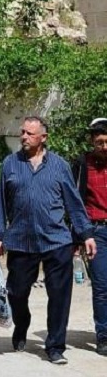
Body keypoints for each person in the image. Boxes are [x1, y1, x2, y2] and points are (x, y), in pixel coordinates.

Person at [0, 116, 96, 365]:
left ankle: (55, 346)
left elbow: (73, 202)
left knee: (59, 296)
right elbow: (0, 202)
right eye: (22, 132)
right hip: (21, 240)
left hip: (57, 240)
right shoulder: (10, 164)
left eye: (30, 133)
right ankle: (22, 324)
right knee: (16, 292)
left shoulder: (59, 165)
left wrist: (86, 234)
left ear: (43, 137)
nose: (24, 137)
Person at [72, 119, 107, 356]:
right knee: (102, 286)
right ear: (91, 141)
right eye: (99, 143)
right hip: (96, 232)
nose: (104, 147)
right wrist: (78, 237)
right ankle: (103, 336)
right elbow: (75, 202)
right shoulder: (82, 165)